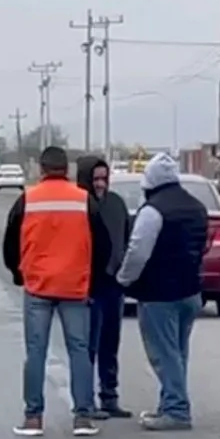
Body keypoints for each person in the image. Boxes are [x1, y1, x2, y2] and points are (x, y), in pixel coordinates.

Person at [2, 146, 111, 437]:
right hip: (75, 287)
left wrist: (18, 273)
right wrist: (93, 281)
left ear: (41, 169)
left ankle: (33, 417)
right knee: (79, 351)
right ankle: (83, 417)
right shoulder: (83, 200)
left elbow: (10, 243)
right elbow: (103, 245)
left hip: (38, 286)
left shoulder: (27, 200)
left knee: (36, 352)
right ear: (68, 169)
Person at [115, 152, 207, 431]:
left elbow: (138, 251)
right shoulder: (197, 207)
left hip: (159, 294)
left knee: (164, 354)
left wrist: (124, 278)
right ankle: (170, 401)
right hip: (191, 291)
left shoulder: (153, 211)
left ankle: (176, 410)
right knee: (178, 353)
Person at [75, 155, 134, 419]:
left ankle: (109, 395)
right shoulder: (77, 206)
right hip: (87, 286)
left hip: (114, 284)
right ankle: (85, 401)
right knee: (88, 345)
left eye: (104, 179)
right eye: (95, 179)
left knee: (110, 343)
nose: (100, 184)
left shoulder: (116, 204)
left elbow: (128, 237)